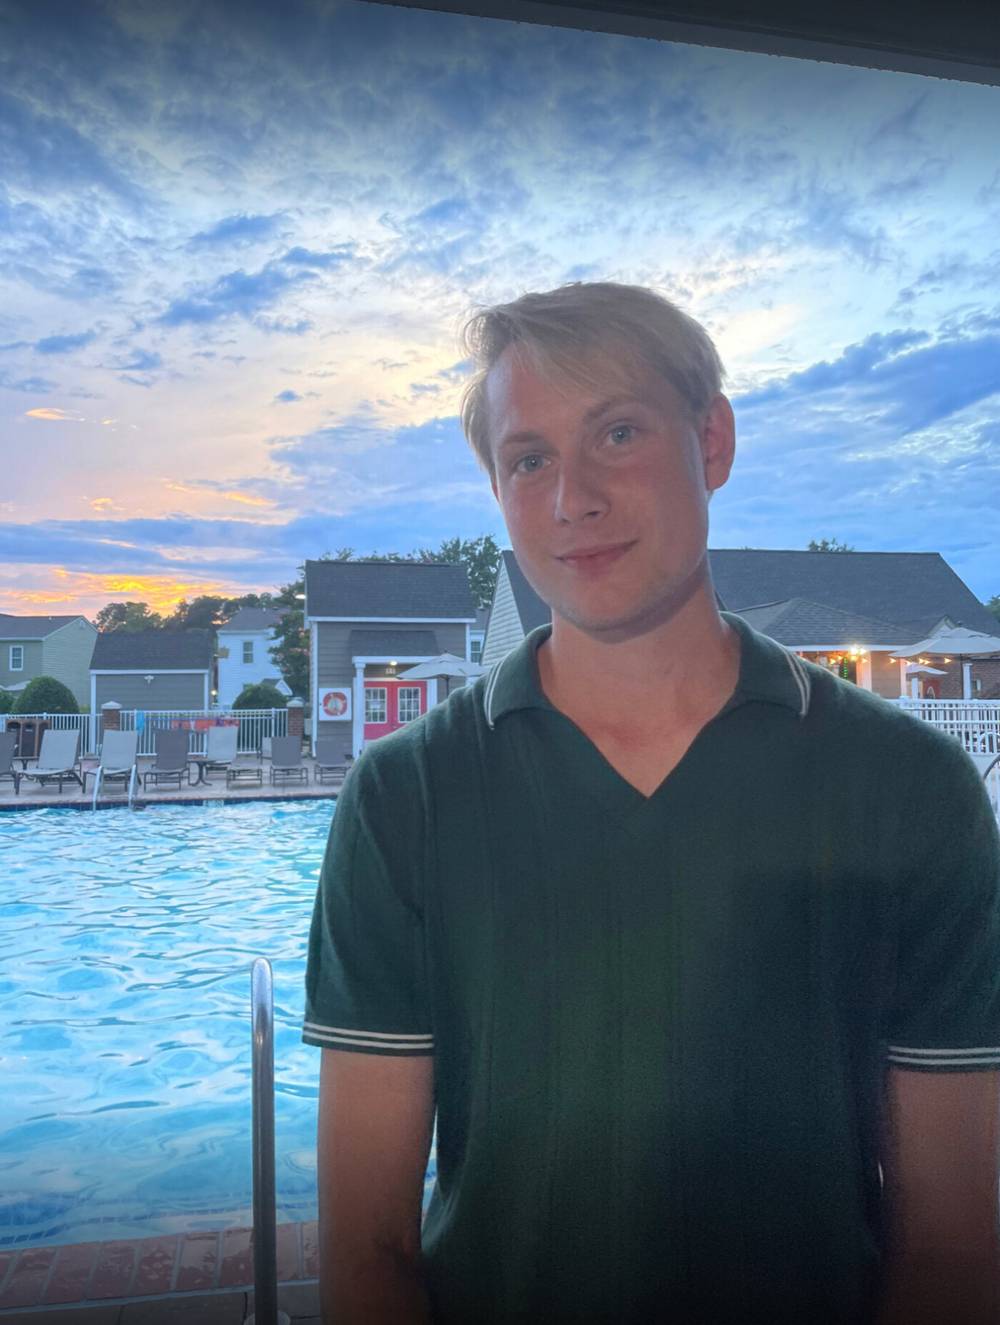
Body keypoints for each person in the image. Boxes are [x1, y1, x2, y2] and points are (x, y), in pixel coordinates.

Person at [303, 282, 1000, 1324]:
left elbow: (951, 1244)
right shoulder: (406, 798)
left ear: (712, 441)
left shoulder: (910, 789)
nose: (571, 498)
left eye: (617, 433)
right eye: (528, 458)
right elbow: (366, 1244)